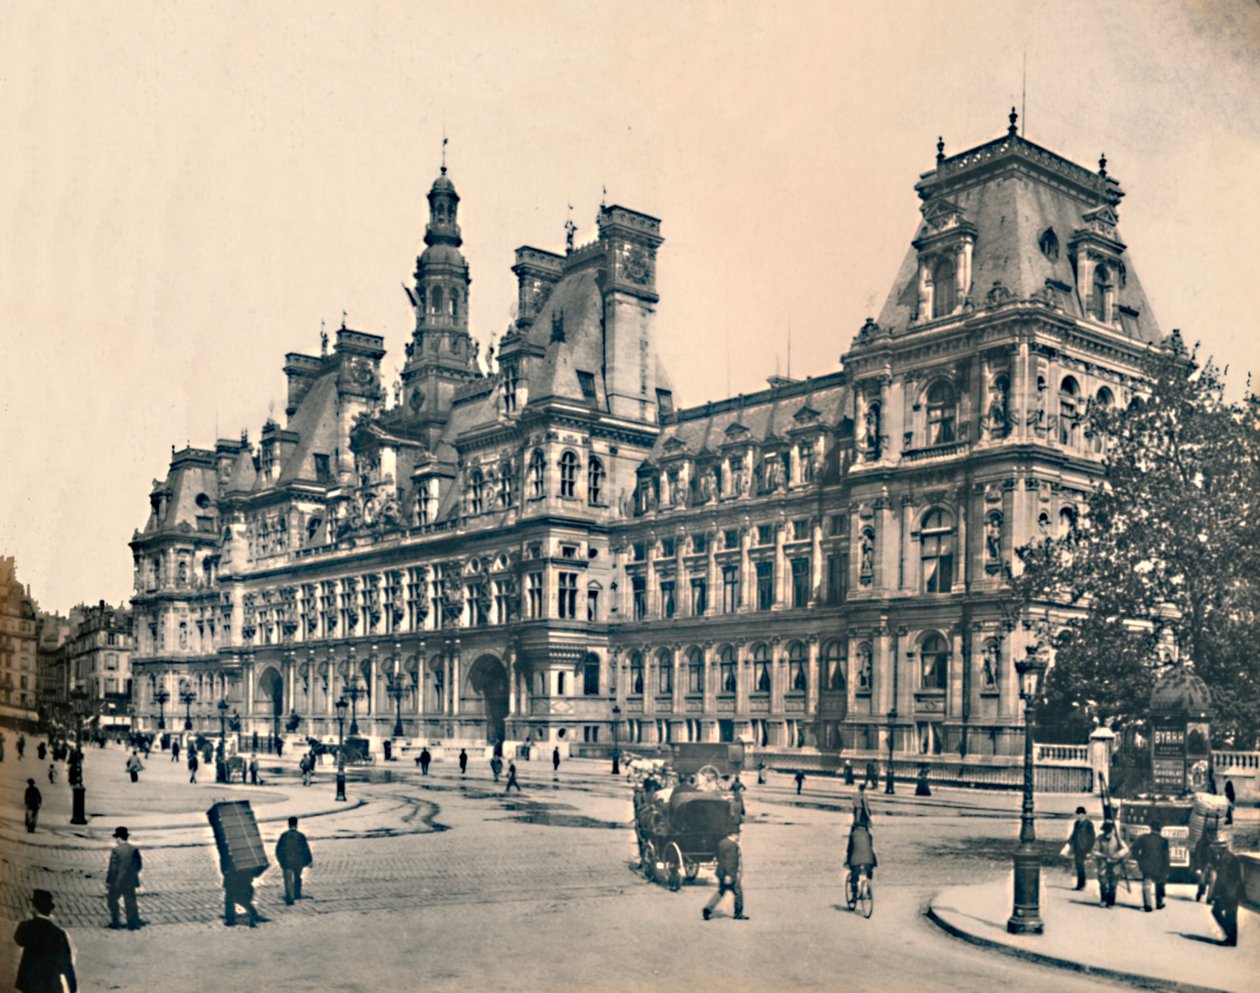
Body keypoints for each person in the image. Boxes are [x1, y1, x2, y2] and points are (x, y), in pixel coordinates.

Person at [13, 889, 77, 993]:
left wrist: (28, 920)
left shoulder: (28, 927)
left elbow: (18, 939)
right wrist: (72, 988)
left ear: (34, 909)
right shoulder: (59, 933)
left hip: (30, 984)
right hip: (51, 985)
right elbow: (66, 964)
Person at [703, 831, 747, 920]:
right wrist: (729, 875)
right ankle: (738, 914)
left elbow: (718, 857)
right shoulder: (732, 846)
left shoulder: (722, 843)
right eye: (738, 834)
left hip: (721, 872)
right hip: (729, 874)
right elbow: (730, 862)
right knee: (738, 893)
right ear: (734, 835)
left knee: (721, 891)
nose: (739, 837)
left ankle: (708, 909)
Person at [106, 826, 143, 930]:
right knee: (130, 901)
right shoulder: (133, 849)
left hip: (117, 881)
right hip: (130, 880)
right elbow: (139, 865)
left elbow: (113, 868)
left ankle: (116, 921)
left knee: (112, 900)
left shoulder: (116, 850)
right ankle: (132, 923)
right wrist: (131, 873)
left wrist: (109, 881)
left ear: (119, 838)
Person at [1208, 843, 1243, 946]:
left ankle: (1230, 937)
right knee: (1231, 914)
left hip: (1228, 892)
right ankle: (1232, 939)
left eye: (1215, 847)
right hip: (1234, 891)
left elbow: (1221, 879)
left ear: (1219, 847)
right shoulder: (1230, 856)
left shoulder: (1224, 859)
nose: (1213, 849)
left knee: (1218, 911)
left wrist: (1216, 894)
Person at [275, 816, 313, 906]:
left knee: (288, 879)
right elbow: (305, 849)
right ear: (296, 825)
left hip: (287, 861)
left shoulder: (284, 836)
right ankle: (297, 894)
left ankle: (290, 897)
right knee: (297, 877)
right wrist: (309, 860)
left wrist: (280, 860)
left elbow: (278, 850)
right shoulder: (300, 836)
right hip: (298, 861)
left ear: (289, 825)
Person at [1132, 826, 1170, 912]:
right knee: (1160, 884)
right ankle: (1159, 903)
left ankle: (1147, 905)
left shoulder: (1143, 838)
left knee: (1147, 885)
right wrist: (1167, 869)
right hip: (1160, 866)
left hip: (1146, 866)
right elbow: (1166, 857)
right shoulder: (1164, 841)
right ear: (1160, 831)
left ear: (1151, 829)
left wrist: (1139, 858)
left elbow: (1134, 849)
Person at [1094, 821, 1130, 908]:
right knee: (1102, 883)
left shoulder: (1117, 839)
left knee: (1113, 884)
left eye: (1109, 831)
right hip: (1103, 864)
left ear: (1112, 831)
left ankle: (1111, 902)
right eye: (1106, 831)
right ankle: (1103, 900)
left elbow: (1125, 849)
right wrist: (1103, 855)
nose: (1108, 834)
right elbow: (1094, 850)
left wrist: (1117, 855)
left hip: (1115, 865)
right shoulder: (1099, 839)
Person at [846, 802, 877, 898]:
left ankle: (854, 894)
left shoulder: (853, 835)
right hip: (869, 860)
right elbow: (870, 848)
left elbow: (849, 850)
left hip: (856, 861)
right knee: (869, 871)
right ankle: (868, 887)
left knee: (854, 876)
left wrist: (847, 861)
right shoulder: (869, 835)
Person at [1065, 806, 1097, 891]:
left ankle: (1081, 885)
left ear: (1083, 814)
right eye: (1077, 814)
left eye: (1079, 814)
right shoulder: (1076, 823)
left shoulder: (1089, 824)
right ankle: (1080, 884)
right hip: (1077, 848)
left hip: (1084, 848)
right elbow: (1074, 834)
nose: (1078, 816)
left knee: (1081, 866)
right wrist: (1069, 843)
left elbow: (1092, 837)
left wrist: (1089, 850)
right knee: (1078, 866)